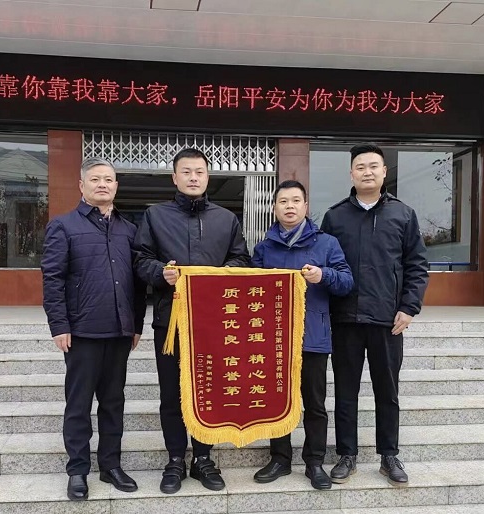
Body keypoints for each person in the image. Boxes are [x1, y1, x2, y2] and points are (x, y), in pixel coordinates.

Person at [134, 147, 251, 494]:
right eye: (186, 172)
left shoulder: (226, 219)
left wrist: (224, 273)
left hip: (214, 322)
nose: (193, 177)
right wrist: (161, 272)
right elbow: (140, 260)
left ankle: (203, 458)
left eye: (199, 172)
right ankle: (175, 460)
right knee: (171, 393)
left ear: (207, 176)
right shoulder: (155, 216)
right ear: (175, 177)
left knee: (207, 391)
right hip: (170, 321)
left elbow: (242, 259)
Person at [320, 143, 429, 488]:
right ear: (351, 174)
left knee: (387, 391)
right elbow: (325, 266)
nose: (367, 172)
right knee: (346, 391)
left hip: (387, 320)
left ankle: (389, 456)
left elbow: (416, 265)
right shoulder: (335, 217)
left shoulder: (403, 214)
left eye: (373, 166)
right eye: (360, 167)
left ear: (384, 172)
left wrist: (409, 307)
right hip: (345, 320)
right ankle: (346, 455)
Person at [41, 157, 146, 501]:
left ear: (116, 186)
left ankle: (111, 465)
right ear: (82, 185)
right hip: (82, 331)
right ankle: (77, 470)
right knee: (79, 403)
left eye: (109, 179)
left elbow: (138, 284)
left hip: (119, 331)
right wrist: (59, 325)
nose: (103, 184)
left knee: (113, 402)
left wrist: (136, 324)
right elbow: (53, 279)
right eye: (96, 179)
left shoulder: (128, 230)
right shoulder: (63, 226)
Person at [250, 180, 353, 490]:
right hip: (273, 339)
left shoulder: (327, 244)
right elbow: (250, 291)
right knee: (277, 400)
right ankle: (280, 458)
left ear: (306, 206)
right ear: (274, 208)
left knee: (315, 404)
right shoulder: (264, 248)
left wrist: (324, 275)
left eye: (296, 200)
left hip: (313, 336)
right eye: (283, 201)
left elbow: (346, 282)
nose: (290, 206)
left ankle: (314, 461)